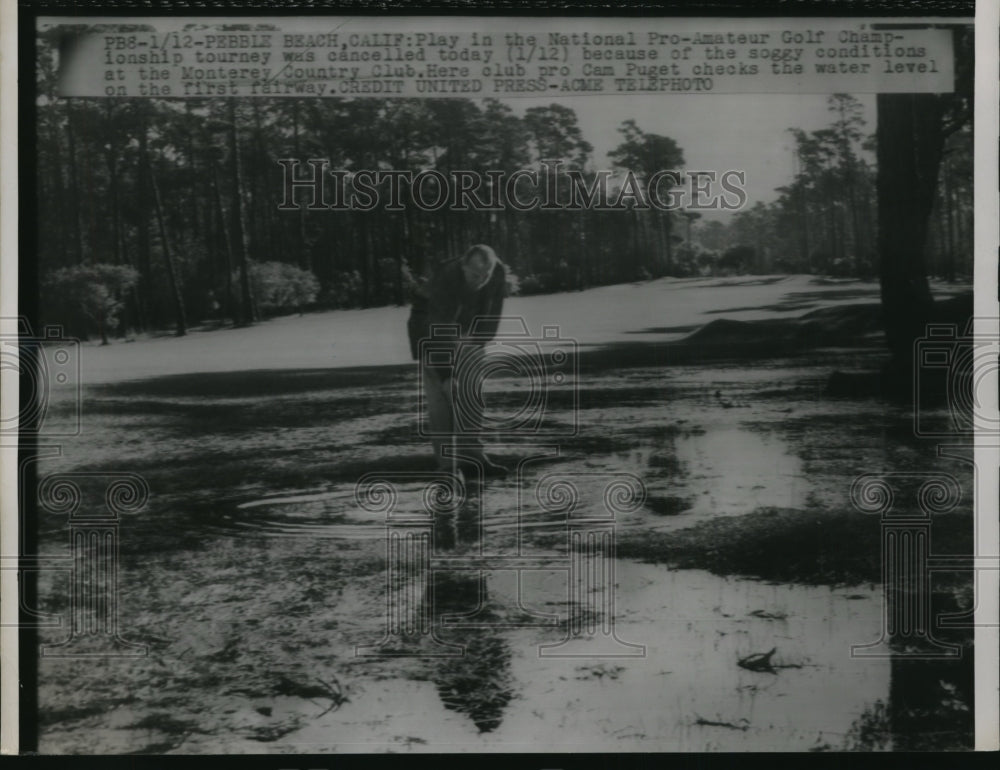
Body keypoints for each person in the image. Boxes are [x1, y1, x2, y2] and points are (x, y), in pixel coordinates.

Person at [408, 244, 510, 479]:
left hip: (466, 327)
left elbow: (492, 318)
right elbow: (438, 325)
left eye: (486, 275)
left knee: (472, 393)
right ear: (463, 266)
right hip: (429, 326)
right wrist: (447, 375)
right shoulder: (447, 276)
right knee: (441, 401)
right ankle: (447, 466)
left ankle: (474, 457)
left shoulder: (498, 273)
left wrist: (474, 340)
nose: (481, 280)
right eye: (475, 275)